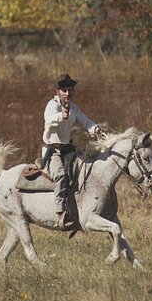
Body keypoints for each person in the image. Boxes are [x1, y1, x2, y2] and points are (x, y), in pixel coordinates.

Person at [41, 73, 102, 228]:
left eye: (70, 90)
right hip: (52, 150)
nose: (68, 93)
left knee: (82, 169)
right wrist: (61, 116)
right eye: (64, 91)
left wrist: (95, 128)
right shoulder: (51, 106)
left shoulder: (73, 108)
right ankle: (60, 211)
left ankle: (79, 206)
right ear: (58, 92)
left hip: (66, 149)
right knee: (60, 174)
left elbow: (86, 121)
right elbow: (48, 120)